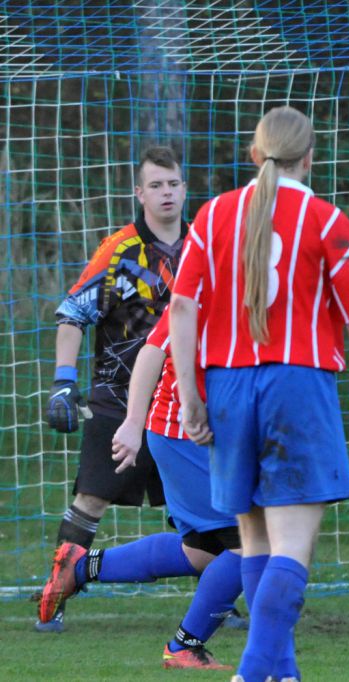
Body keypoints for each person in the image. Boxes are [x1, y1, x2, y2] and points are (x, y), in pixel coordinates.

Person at [169, 105, 349, 682]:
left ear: (255, 153)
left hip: (226, 383)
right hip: (297, 383)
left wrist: (191, 395)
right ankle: (252, 674)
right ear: (310, 157)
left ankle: (283, 672)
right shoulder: (325, 219)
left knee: (255, 540)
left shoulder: (214, 214)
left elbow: (182, 307)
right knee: (292, 545)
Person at [35, 146, 188, 633]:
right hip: (117, 400)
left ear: (184, 188)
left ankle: (220, 602)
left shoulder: (202, 247)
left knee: (198, 507)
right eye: (156, 185)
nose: (166, 193)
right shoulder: (119, 250)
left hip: (182, 403)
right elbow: (72, 314)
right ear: (139, 193)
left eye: (173, 183)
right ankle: (56, 595)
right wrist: (64, 381)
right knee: (91, 500)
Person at [38, 308, 242, 670]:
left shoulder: (260, 287)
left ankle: (80, 566)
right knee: (252, 544)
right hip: (184, 433)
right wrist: (133, 423)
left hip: (211, 435)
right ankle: (185, 647)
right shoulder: (205, 282)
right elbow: (152, 350)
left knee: (202, 553)